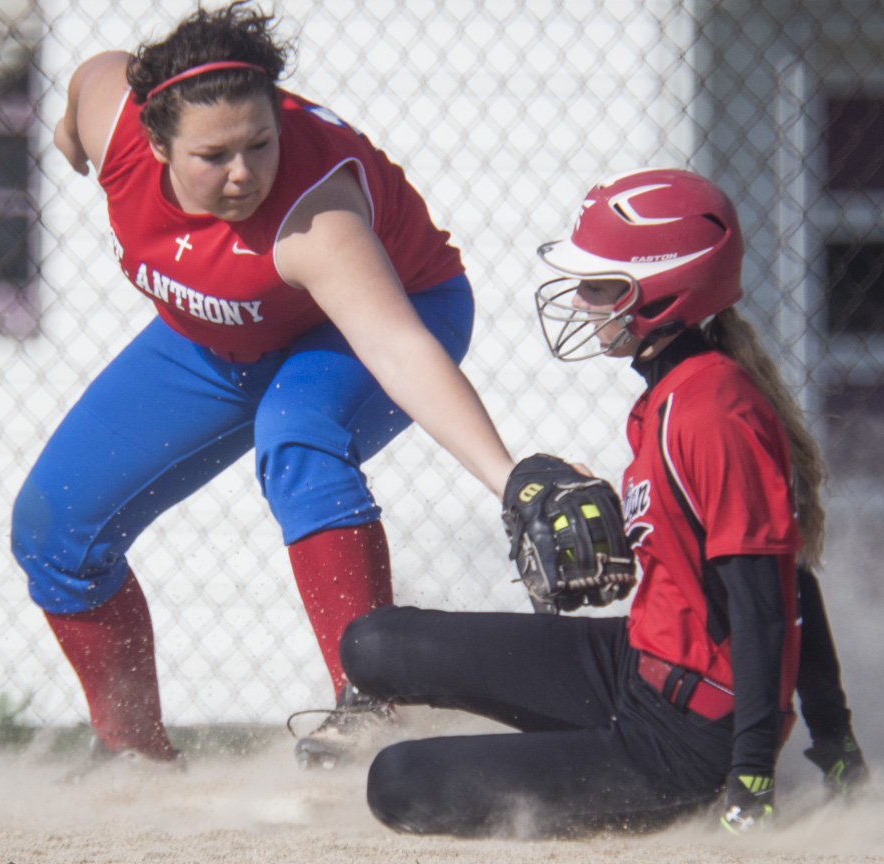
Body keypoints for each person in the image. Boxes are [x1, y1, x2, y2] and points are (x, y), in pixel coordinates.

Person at [10, 1, 516, 773]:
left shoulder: (315, 217)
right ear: (151, 141)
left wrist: (511, 480)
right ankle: (134, 758)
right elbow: (89, 83)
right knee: (53, 529)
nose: (243, 172)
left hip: (381, 313)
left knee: (298, 435)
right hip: (218, 336)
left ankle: (367, 708)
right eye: (214, 155)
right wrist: (66, 133)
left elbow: (397, 348)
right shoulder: (112, 119)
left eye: (260, 142)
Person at [339, 167, 869, 837]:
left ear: (662, 293)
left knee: (399, 783)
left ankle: (688, 777)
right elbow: (772, 578)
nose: (583, 301)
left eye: (600, 286)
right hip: (635, 666)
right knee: (373, 643)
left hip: (685, 740)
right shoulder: (666, 396)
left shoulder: (712, 411)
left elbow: (773, 600)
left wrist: (758, 773)